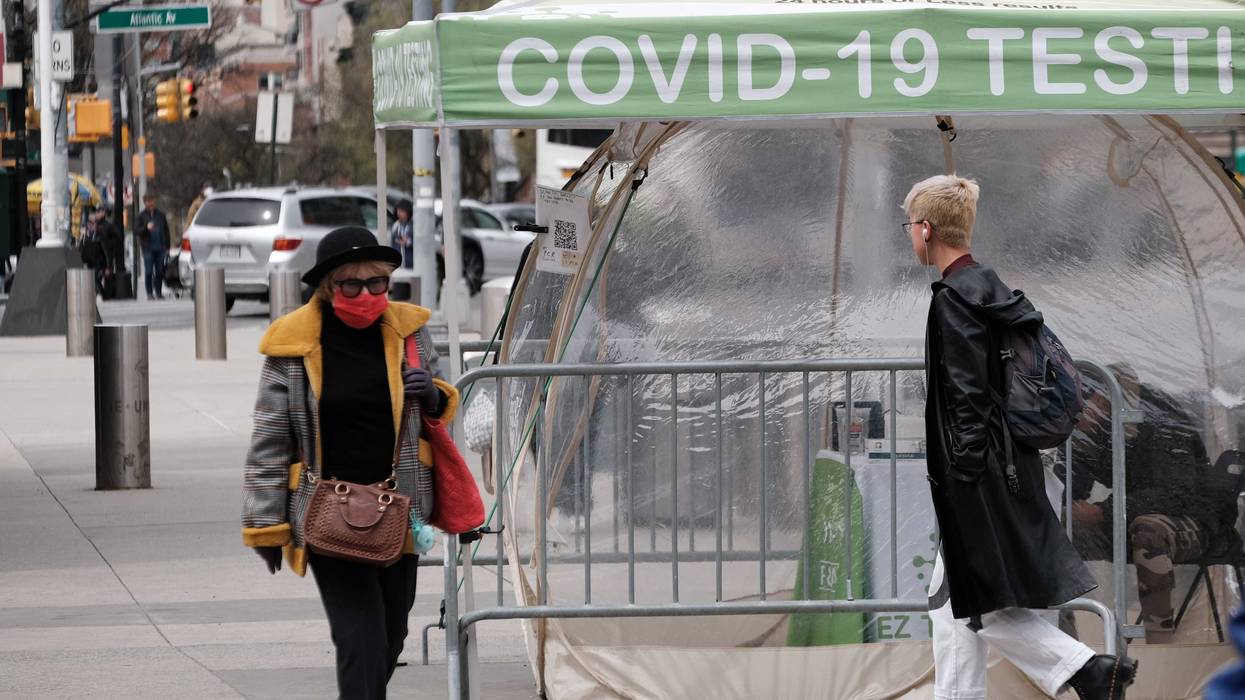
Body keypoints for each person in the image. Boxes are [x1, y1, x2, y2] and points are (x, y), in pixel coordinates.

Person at [907, 174, 1136, 700]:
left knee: (976, 607)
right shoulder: (991, 288)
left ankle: (1089, 669)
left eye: (909, 227)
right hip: (1010, 465)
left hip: (980, 477)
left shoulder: (954, 300)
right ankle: (1085, 672)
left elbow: (968, 397)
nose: (910, 236)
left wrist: (963, 478)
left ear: (926, 229)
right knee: (953, 604)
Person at [241, 226, 459, 699]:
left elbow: (441, 412)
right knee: (361, 638)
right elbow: (270, 440)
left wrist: (435, 397)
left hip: (399, 510)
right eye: (351, 285)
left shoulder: (410, 332)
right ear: (327, 287)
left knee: (391, 635)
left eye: (377, 283)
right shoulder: (293, 344)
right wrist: (266, 526)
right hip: (328, 515)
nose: (366, 295)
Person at [1068, 366, 1237, 644]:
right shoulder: (1096, 425)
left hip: (1195, 521)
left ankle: (1158, 640)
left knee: (1149, 530)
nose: (1075, 410)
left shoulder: (1162, 419)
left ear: (1103, 397)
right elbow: (1072, 480)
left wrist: (1101, 512)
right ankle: (1064, 638)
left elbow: (1175, 493)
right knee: (1051, 532)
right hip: (1127, 519)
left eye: (1082, 401)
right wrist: (1062, 507)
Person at [135, 193, 171, 300]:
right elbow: (136, 231)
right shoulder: (141, 216)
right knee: (149, 271)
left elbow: (166, 231)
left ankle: (158, 292)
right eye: (148, 201)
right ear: (145, 203)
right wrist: (146, 228)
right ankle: (149, 293)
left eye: (151, 201)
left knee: (160, 270)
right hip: (148, 248)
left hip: (160, 248)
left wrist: (167, 247)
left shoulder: (160, 215)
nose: (150, 203)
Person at [390, 199, 414, 269]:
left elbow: (421, 245)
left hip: (411, 266)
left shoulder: (413, 226)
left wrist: (408, 242)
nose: (399, 213)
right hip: (399, 265)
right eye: (398, 210)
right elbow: (393, 244)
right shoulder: (395, 226)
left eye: (401, 211)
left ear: (408, 212)